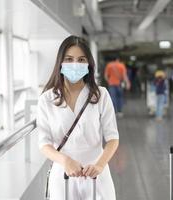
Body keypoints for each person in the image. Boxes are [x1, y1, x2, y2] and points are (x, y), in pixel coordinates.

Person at [37, 35, 119, 200]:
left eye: (81, 59)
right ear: (60, 63)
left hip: (97, 173)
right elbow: (44, 143)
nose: (75, 64)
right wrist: (65, 161)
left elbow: (112, 138)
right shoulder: (47, 99)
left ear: (89, 64)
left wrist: (100, 164)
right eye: (69, 59)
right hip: (63, 173)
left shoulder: (100, 95)